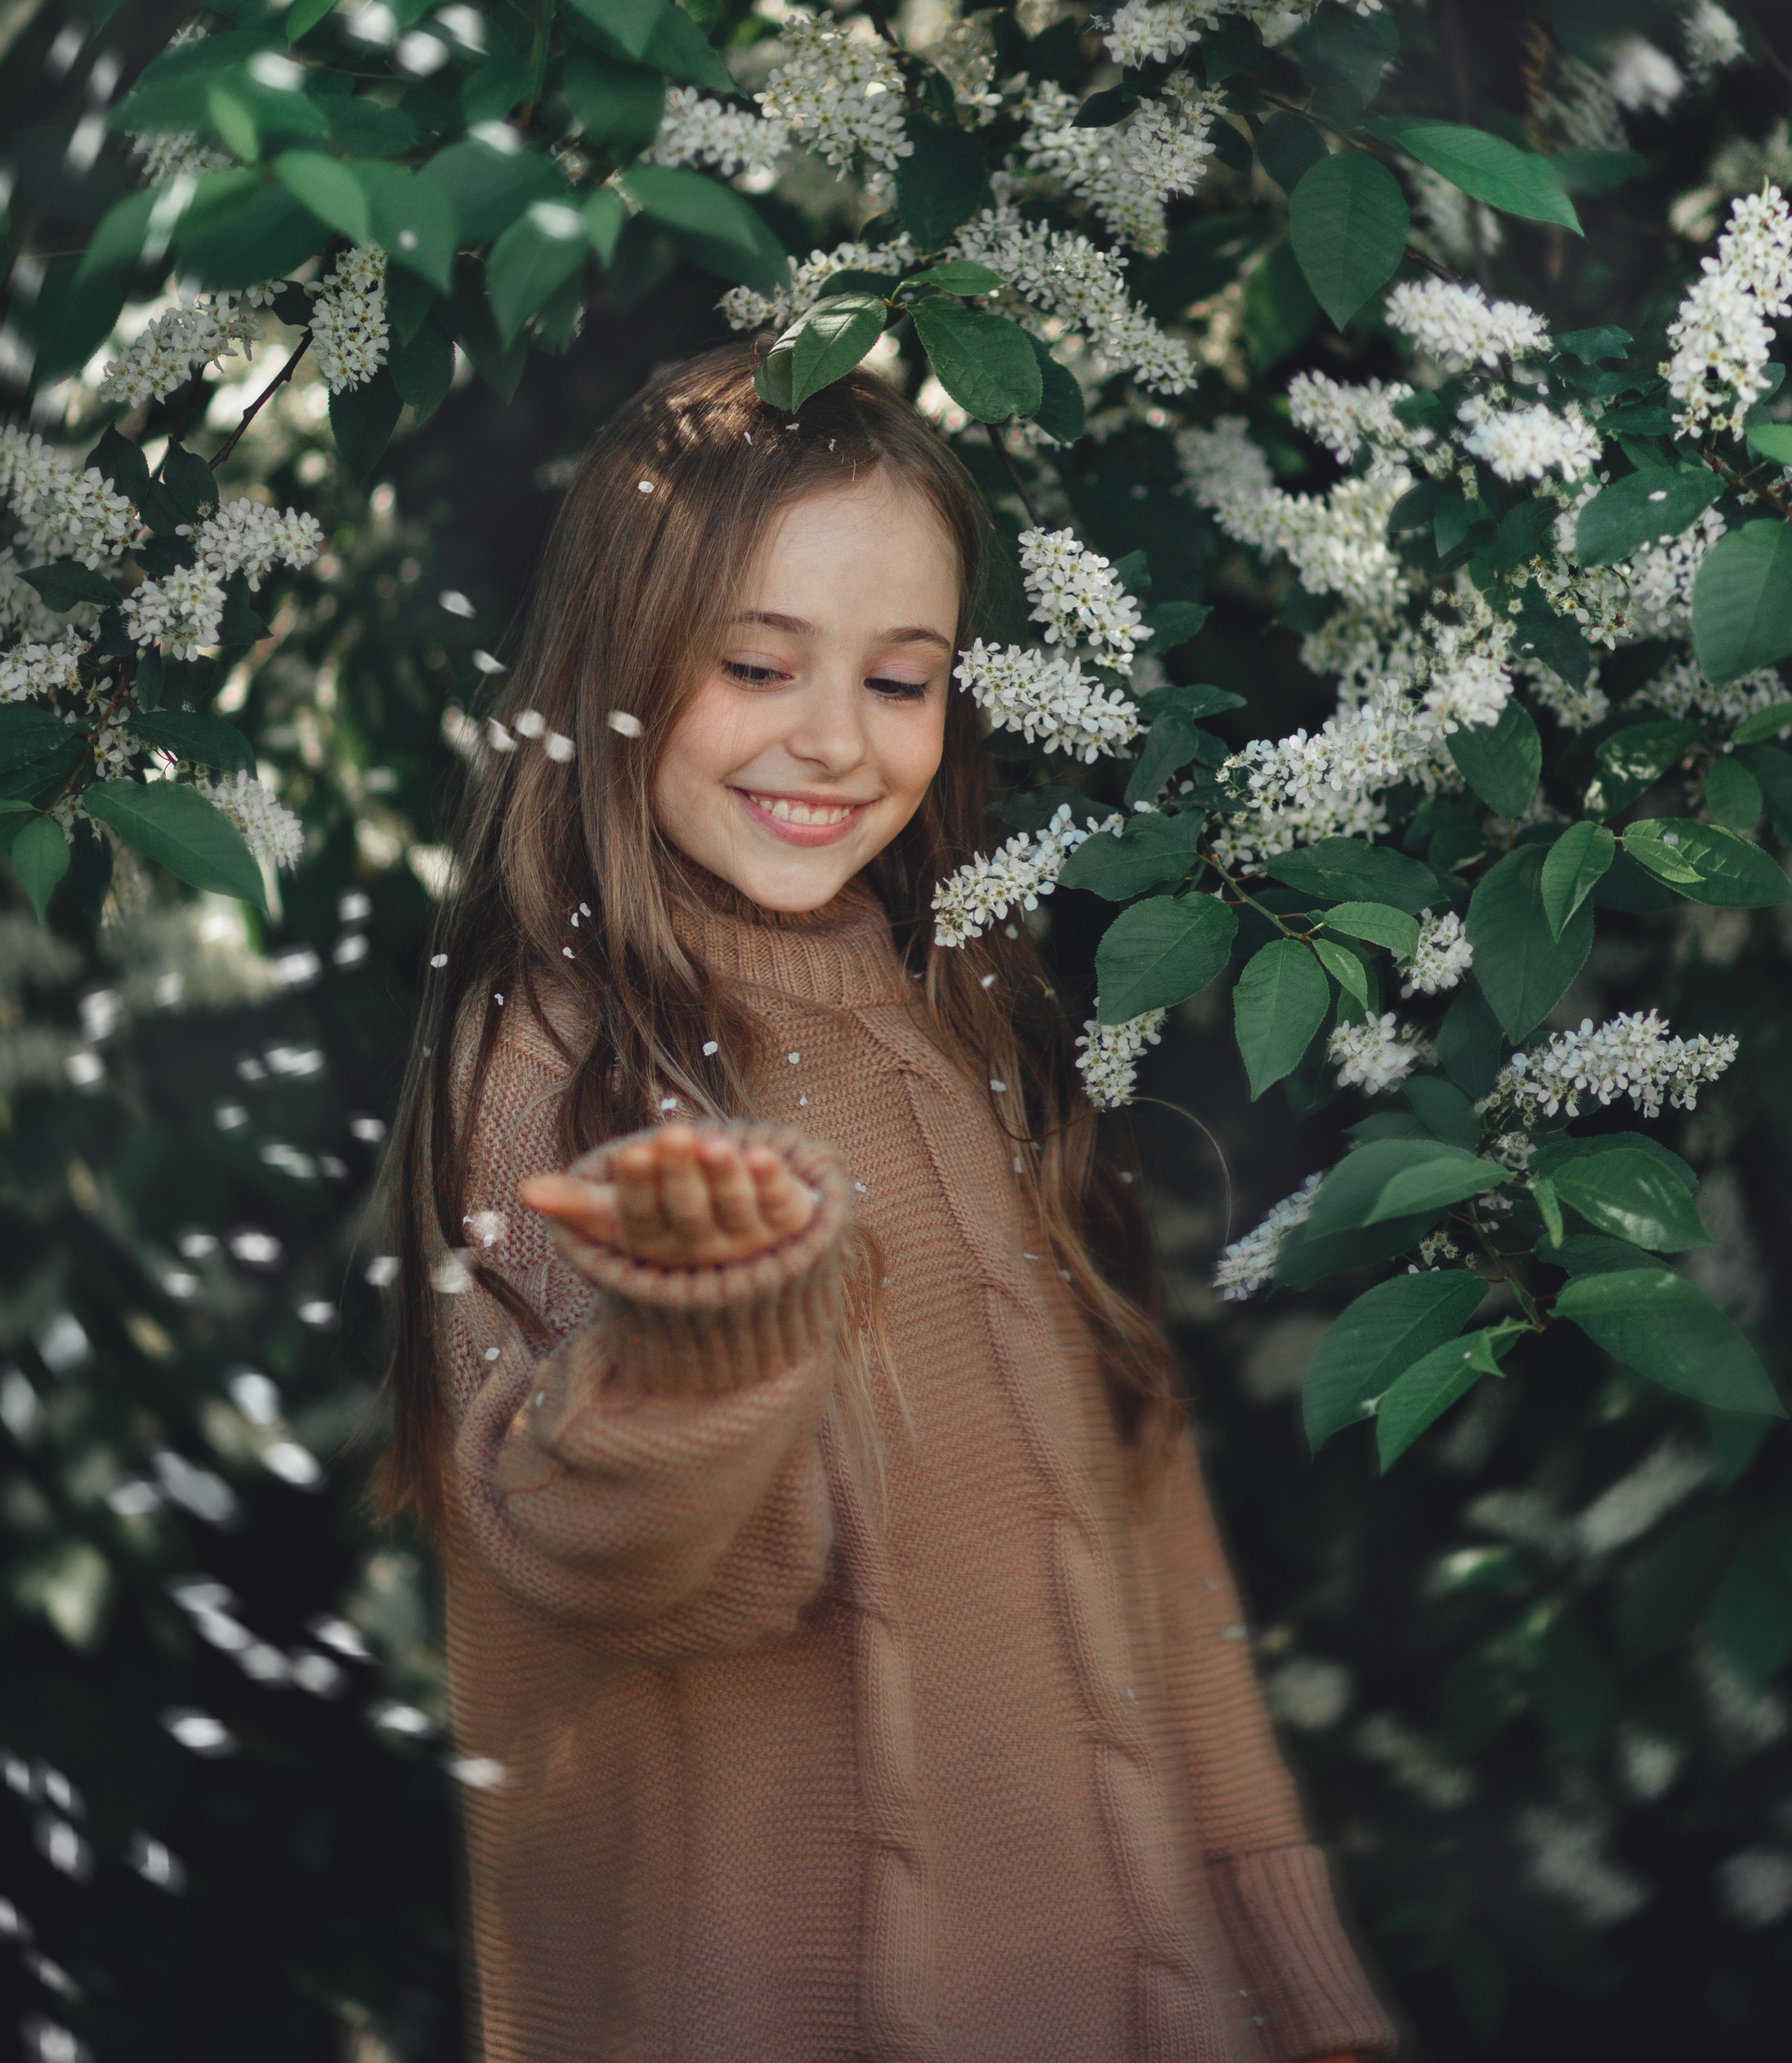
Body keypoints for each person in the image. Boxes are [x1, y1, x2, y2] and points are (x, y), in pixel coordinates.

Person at [379, 343, 1395, 2063]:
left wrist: (1292, 1982)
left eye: (902, 679)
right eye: (755, 664)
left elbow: (1141, 1533)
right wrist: (698, 1345)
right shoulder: (560, 1062)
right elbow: (618, 1574)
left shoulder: (967, 1010)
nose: (836, 740)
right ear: (618, 661)